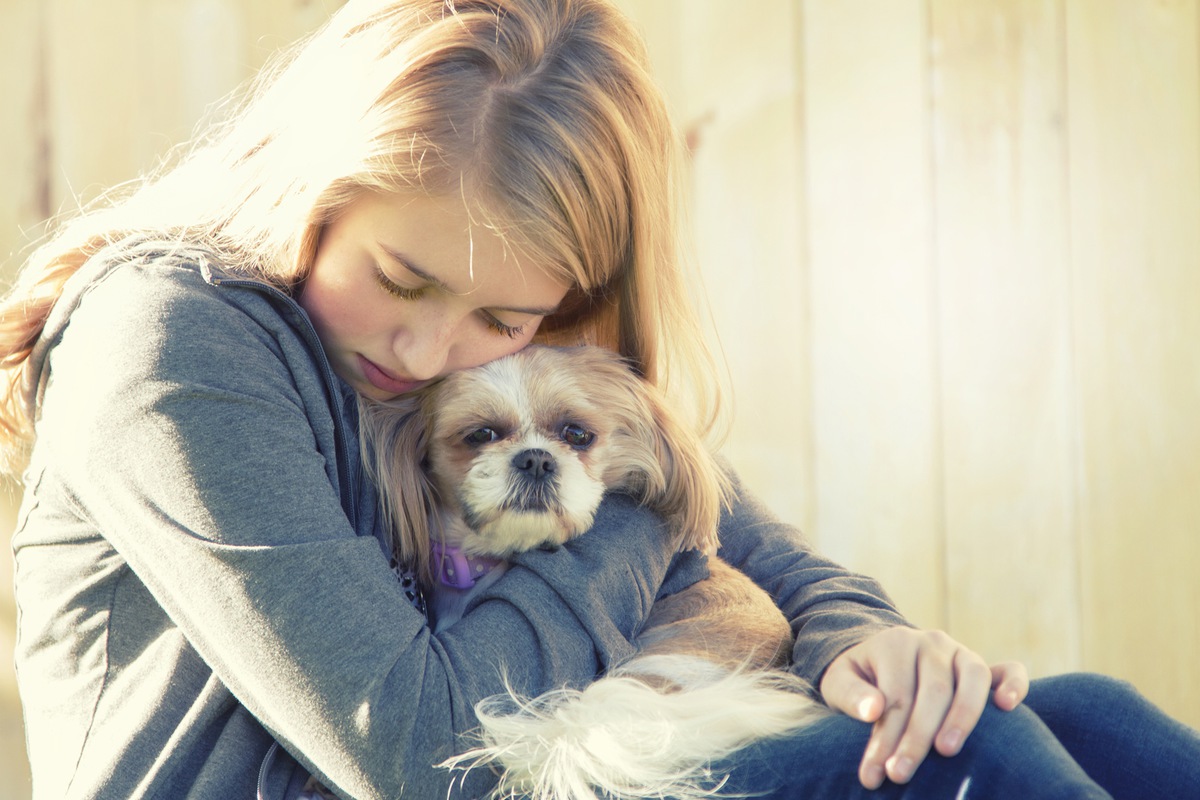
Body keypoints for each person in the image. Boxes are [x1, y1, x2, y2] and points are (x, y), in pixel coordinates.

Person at [1, 1, 1196, 798]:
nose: (429, 350)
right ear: (309, 188)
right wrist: (616, 477)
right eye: (399, 279)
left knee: (1086, 713)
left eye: (505, 322)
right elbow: (423, 750)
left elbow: (721, 514)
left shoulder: (474, 336)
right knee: (964, 760)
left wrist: (861, 642)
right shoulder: (170, 341)